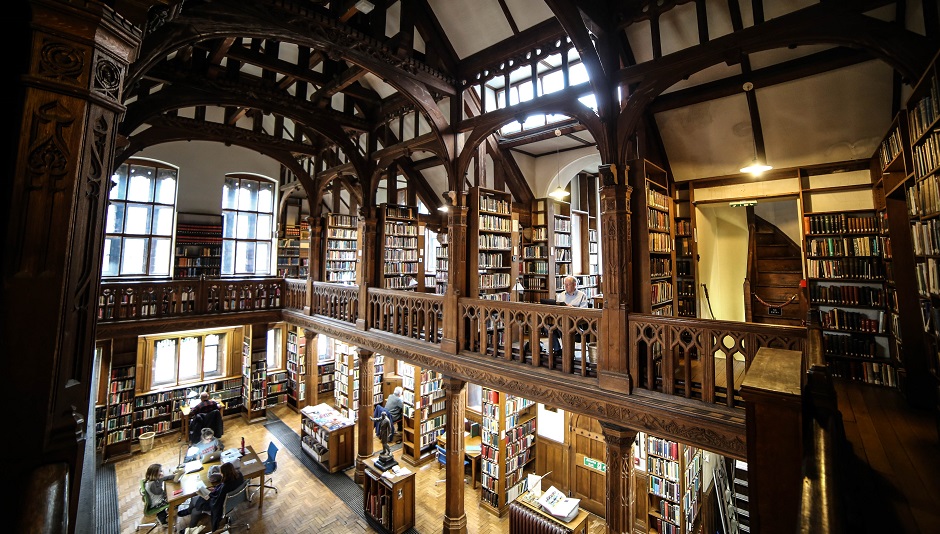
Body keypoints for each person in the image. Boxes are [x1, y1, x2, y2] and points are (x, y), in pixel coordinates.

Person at [186, 461, 244, 531]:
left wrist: (210, 493)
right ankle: (190, 524)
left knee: (194, 504)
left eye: (221, 473)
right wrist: (216, 489)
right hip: (233, 501)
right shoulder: (239, 475)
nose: (221, 474)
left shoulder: (225, 487)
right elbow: (223, 490)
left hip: (221, 505)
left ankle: (190, 526)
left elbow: (216, 501)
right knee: (195, 508)